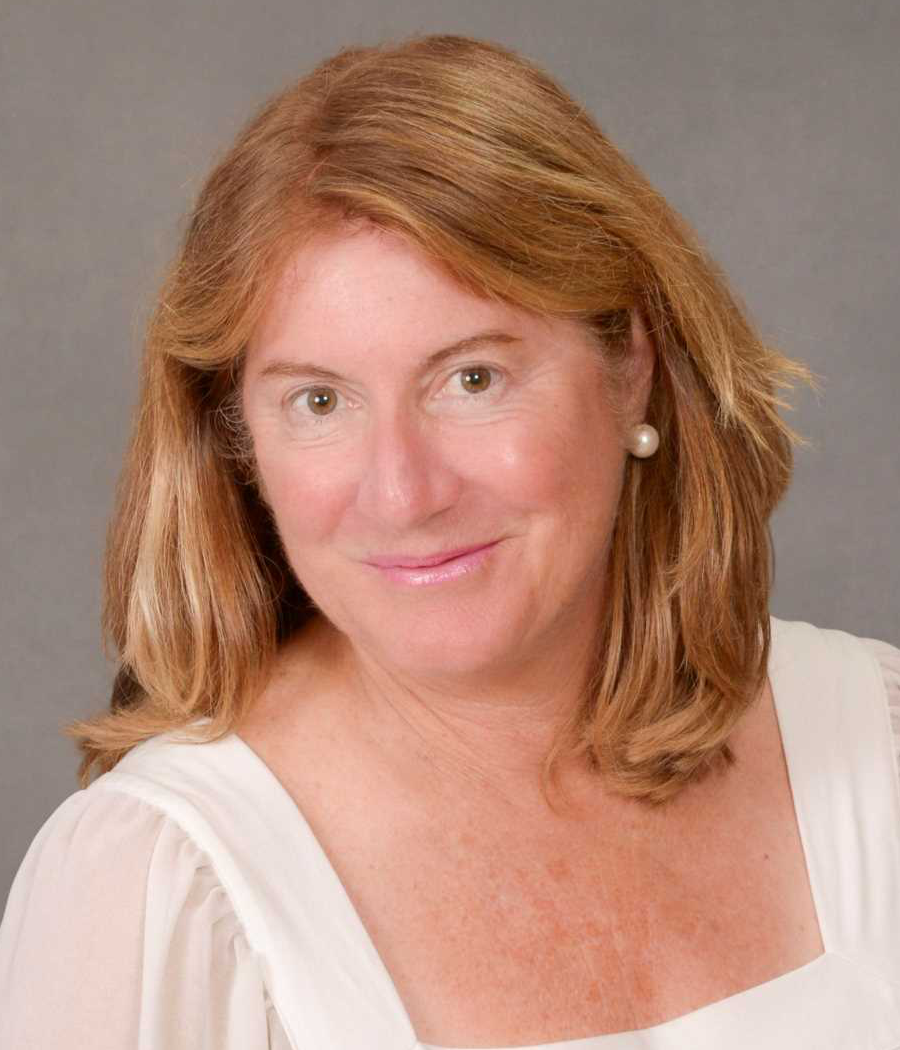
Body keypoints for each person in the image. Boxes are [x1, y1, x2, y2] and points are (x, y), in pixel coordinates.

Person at [1, 31, 898, 1050]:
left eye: (472, 378)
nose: (403, 491)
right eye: (321, 400)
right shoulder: (154, 893)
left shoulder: (879, 743)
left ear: (632, 366)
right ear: (240, 441)